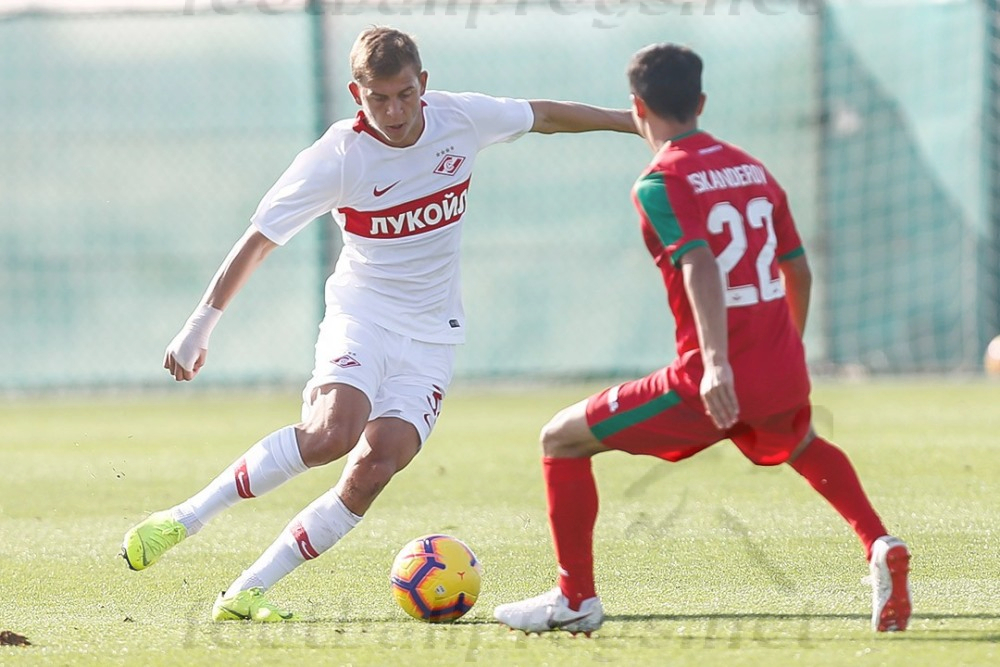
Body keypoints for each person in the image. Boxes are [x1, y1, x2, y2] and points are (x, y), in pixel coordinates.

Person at [120, 26, 637, 622]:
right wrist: (199, 325)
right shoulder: (338, 157)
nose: (393, 111)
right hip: (362, 316)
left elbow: (543, 114)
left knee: (375, 467)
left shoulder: (460, 118)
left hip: (433, 335)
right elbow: (259, 239)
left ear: (424, 84)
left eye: (404, 95)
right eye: (378, 99)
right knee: (330, 435)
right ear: (356, 94)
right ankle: (182, 520)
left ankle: (248, 590)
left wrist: (631, 122)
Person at [493, 43, 911, 635]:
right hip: (779, 366)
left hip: (708, 379)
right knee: (802, 442)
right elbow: (799, 270)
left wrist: (716, 365)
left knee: (561, 438)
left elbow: (700, 264)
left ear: (637, 107)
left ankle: (575, 598)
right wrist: (786, 350)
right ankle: (880, 543)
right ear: (702, 102)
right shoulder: (754, 170)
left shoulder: (659, 182)